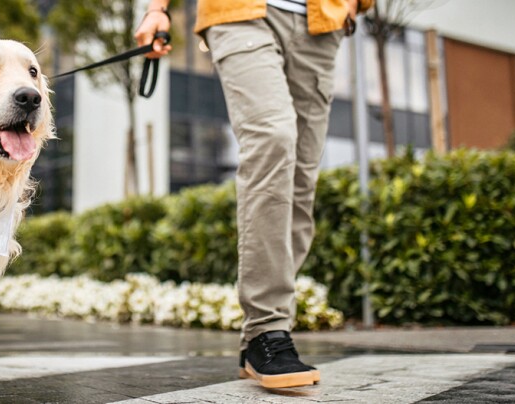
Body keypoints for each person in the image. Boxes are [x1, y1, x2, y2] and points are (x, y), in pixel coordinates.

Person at [135, 0, 373, 389]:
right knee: (273, 141)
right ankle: (268, 329)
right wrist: (157, 8)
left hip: (320, 23)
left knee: (300, 176)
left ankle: (261, 338)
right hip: (241, 12)